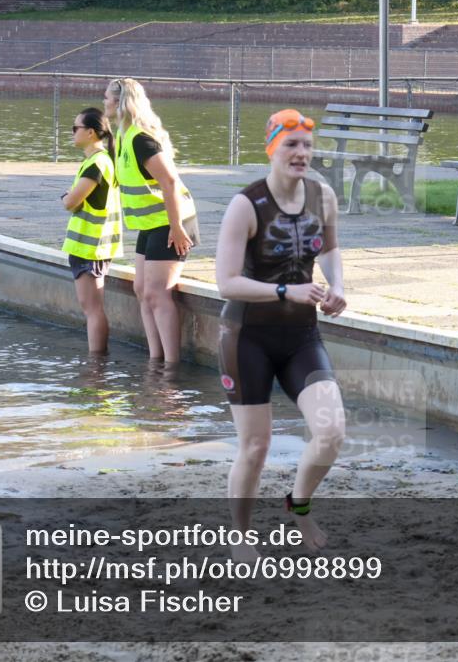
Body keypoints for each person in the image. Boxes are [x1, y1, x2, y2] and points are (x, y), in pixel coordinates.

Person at [215, 109, 348, 560]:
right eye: (291, 144)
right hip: (246, 337)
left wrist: (338, 287)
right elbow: (226, 282)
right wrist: (284, 289)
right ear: (271, 147)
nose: (301, 153)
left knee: (331, 433)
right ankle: (240, 534)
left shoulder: (322, 195)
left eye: (307, 146)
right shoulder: (246, 205)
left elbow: (329, 249)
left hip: (301, 337)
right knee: (255, 446)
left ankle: (299, 502)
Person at [103, 78, 199, 363]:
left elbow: (169, 182)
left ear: (121, 102)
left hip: (171, 223)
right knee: (141, 290)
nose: (104, 101)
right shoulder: (120, 136)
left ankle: (171, 366)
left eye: (108, 97)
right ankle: (155, 360)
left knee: (158, 293)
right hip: (150, 224)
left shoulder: (140, 139)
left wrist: (178, 227)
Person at [61, 107, 121, 354]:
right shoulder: (97, 161)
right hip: (89, 246)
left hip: (91, 246)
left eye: (76, 128)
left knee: (92, 309)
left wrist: (66, 197)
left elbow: (71, 201)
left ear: (92, 133)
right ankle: (96, 365)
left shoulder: (97, 163)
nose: (72, 133)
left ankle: (96, 368)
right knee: (91, 308)